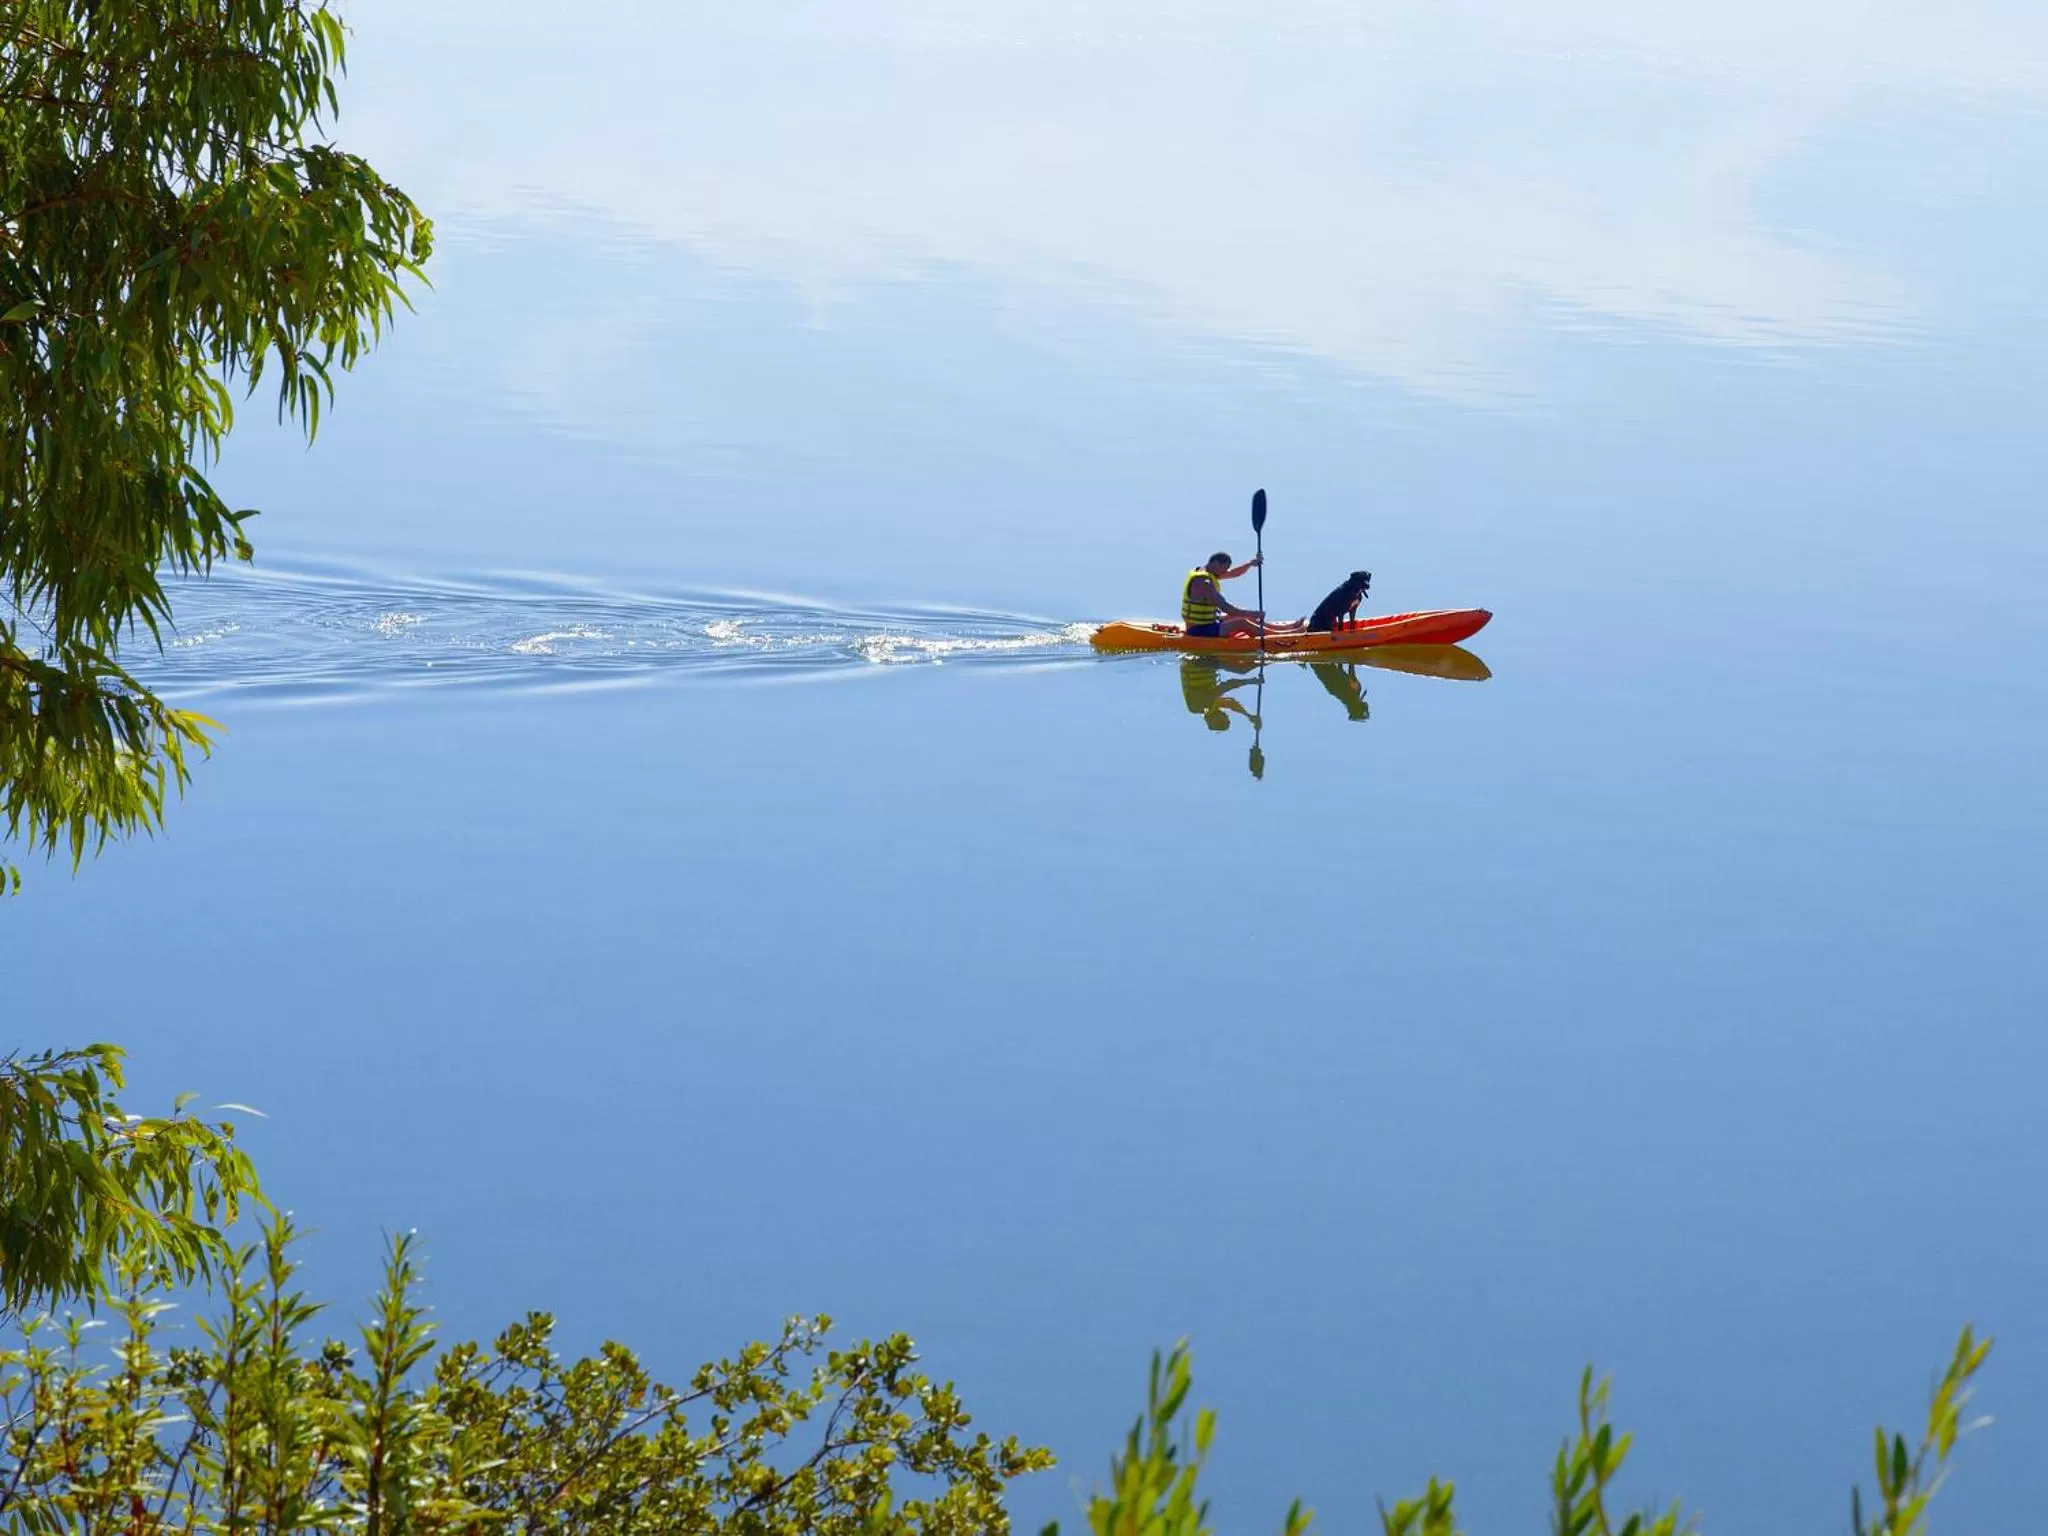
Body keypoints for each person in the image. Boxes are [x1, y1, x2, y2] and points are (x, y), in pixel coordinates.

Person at [1181, 552, 1305, 639]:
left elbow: (1234, 573)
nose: (1225, 573)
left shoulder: (1205, 570)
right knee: (1242, 622)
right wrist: (1254, 613)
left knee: (1247, 618)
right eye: (1224, 569)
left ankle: (1287, 628)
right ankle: (1282, 636)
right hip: (1199, 630)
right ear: (1216, 564)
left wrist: (1250, 564)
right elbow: (1226, 608)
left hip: (1209, 622)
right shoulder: (1204, 583)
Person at [1305, 570, 1373, 633]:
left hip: (1330, 620)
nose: (1366, 583)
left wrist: (1352, 629)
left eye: (1367, 580)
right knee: (1329, 623)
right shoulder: (1344, 593)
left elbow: (1352, 610)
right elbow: (1340, 613)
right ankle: (1339, 633)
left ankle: (1351, 629)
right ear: (1354, 580)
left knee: (1346, 615)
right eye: (1362, 581)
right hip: (1318, 621)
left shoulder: (1358, 595)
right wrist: (1341, 632)